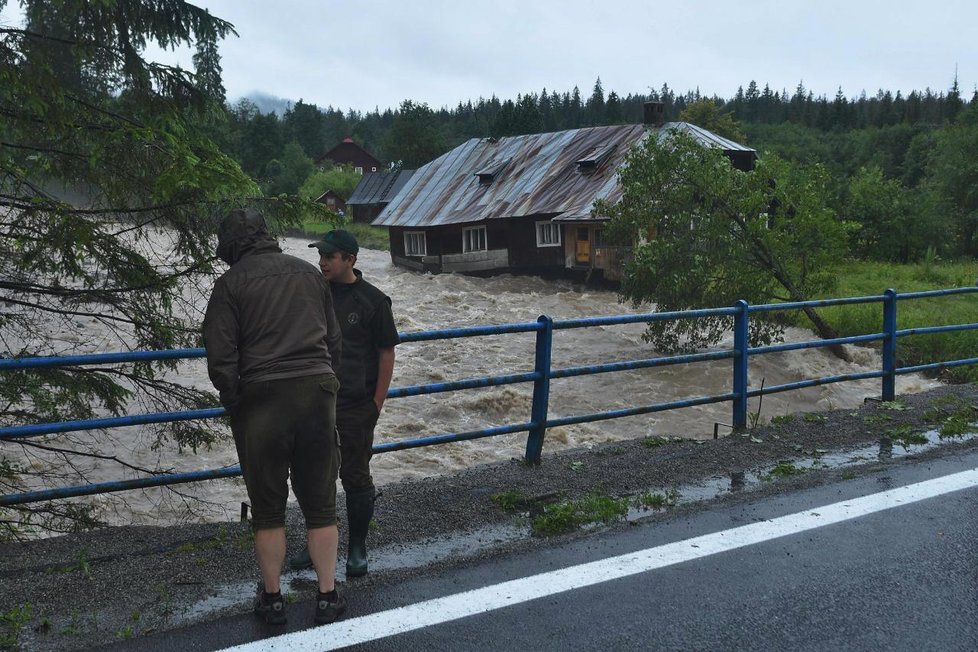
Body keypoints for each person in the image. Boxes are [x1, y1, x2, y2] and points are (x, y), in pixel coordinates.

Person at [202, 208, 346, 626]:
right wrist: (326, 386)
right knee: (321, 505)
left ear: (230, 246)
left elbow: (221, 358)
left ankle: (273, 599)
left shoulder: (229, 285)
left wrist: (238, 403)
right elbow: (333, 342)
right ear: (267, 235)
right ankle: (327, 595)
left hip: (263, 399)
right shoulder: (309, 274)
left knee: (268, 509)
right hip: (318, 393)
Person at [291, 229, 399, 577]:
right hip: (313, 401)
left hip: (355, 404)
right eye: (320, 255)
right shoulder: (313, 295)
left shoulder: (374, 301)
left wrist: (376, 404)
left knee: (355, 475)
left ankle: (357, 546)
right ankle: (316, 544)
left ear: (349, 260)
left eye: (329, 256)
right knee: (312, 476)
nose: (322, 262)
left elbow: (386, 354)